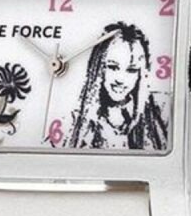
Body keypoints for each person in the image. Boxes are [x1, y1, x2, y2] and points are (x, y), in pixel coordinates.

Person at [66, 21, 169, 151]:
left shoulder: (161, 109)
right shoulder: (74, 120)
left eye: (131, 70)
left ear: (141, 74)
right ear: (98, 67)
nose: (120, 79)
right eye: (112, 67)